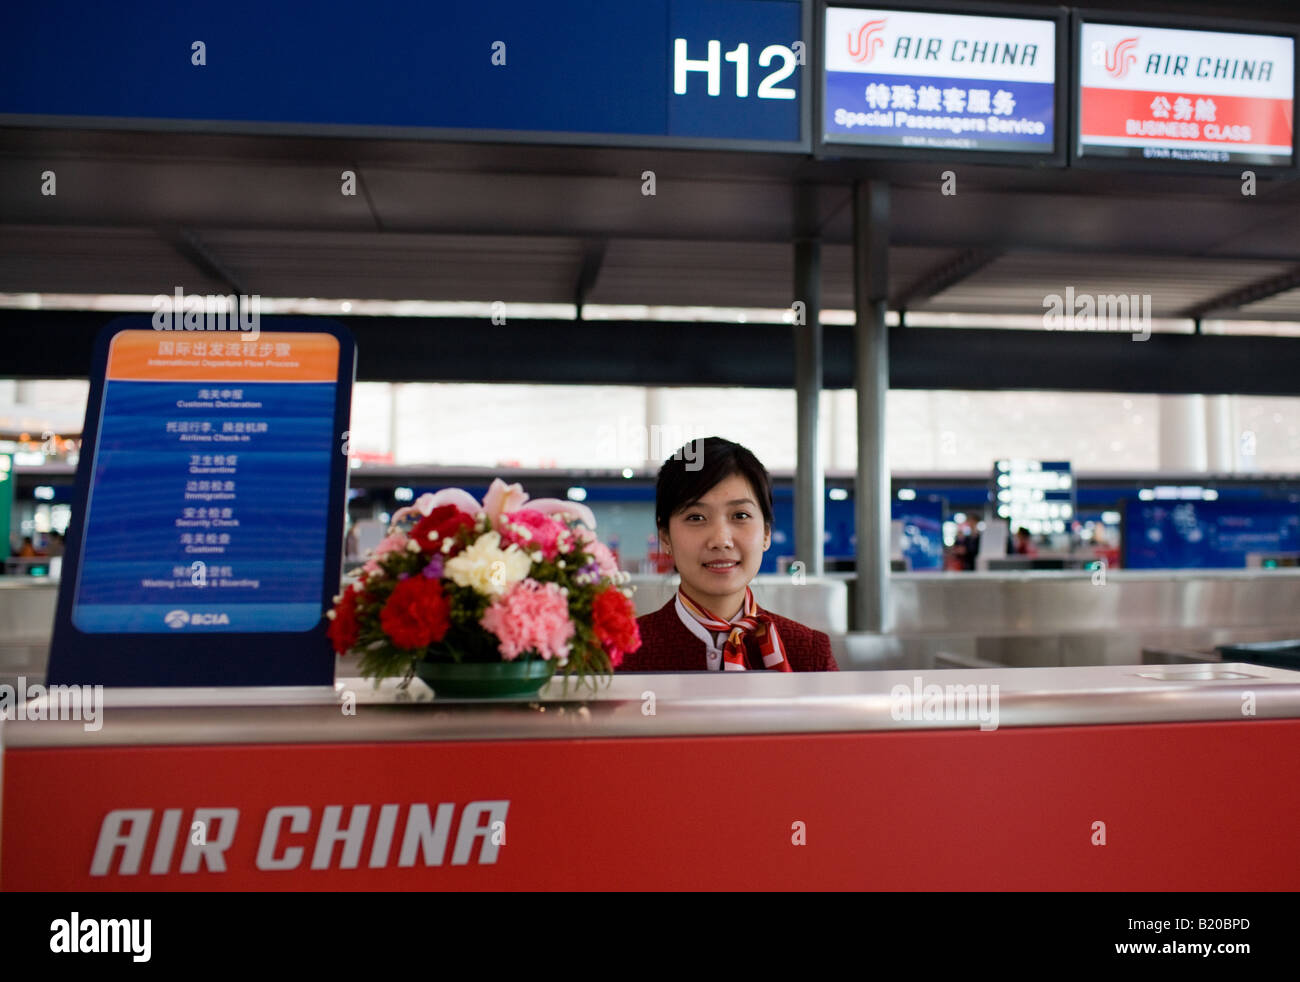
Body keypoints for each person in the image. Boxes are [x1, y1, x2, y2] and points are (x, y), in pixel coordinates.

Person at [621, 436, 838, 672]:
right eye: (696, 517)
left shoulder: (808, 653)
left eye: (740, 515)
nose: (721, 540)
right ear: (665, 538)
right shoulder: (621, 653)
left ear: (766, 533)